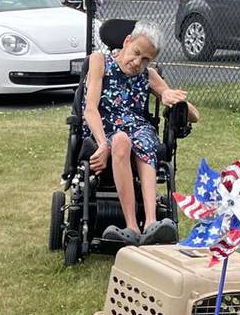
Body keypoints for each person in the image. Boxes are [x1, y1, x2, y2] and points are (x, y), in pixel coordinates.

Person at [83, 22, 194, 247]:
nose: (137, 63)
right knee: (122, 140)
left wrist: (171, 97)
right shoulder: (99, 61)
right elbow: (90, 109)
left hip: (138, 129)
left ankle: (152, 223)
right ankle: (132, 226)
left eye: (146, 60)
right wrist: (103, 144)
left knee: (144, 139)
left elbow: (195, 115)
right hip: (106, 128)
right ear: (127, 42)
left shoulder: (149, 75)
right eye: (136, 53)